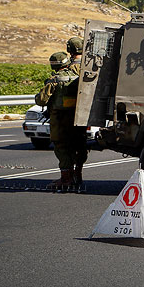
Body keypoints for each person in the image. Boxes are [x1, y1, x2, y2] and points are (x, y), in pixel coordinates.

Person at [35, 51, 83, 189]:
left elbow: (41, 100)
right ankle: (77, 175)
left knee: (61, 147)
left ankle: (66, 179)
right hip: (76, 117)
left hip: (59, 119)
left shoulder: (55, 80)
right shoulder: (78, 77)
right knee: (78, 145)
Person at [66, 36, 88, 185]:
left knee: (66, 144)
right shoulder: (89, 64)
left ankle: (69, 175)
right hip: (83, 111)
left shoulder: (69, 67)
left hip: (68, 111)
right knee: (81, 143)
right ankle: (78, 171)